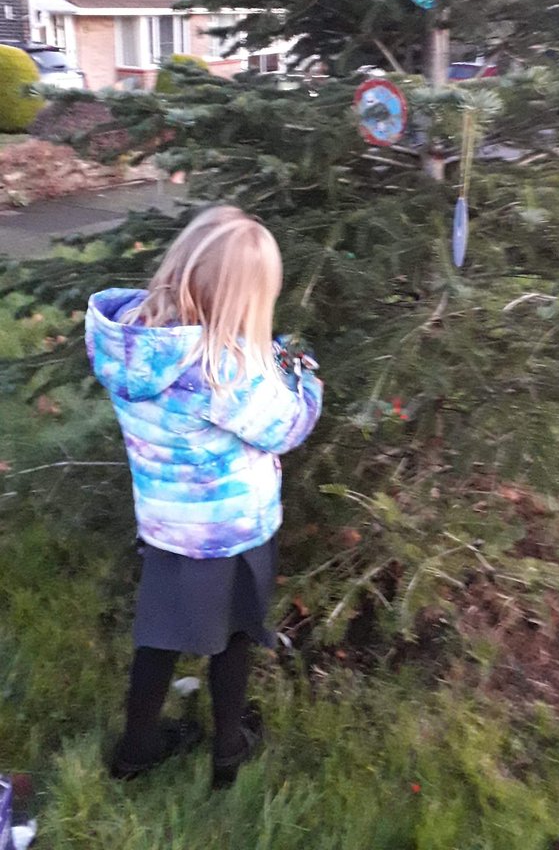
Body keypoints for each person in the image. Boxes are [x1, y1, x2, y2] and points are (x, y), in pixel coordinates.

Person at [86, 206, 323, 789]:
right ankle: (228, 752)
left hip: (166, 527)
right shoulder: (223, 370)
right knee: (234, 638)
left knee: (159, 638)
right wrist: (303, 373)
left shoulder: (131, 337)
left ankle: (135, 751)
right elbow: (286, 427)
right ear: (246, 300)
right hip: (230, 532)